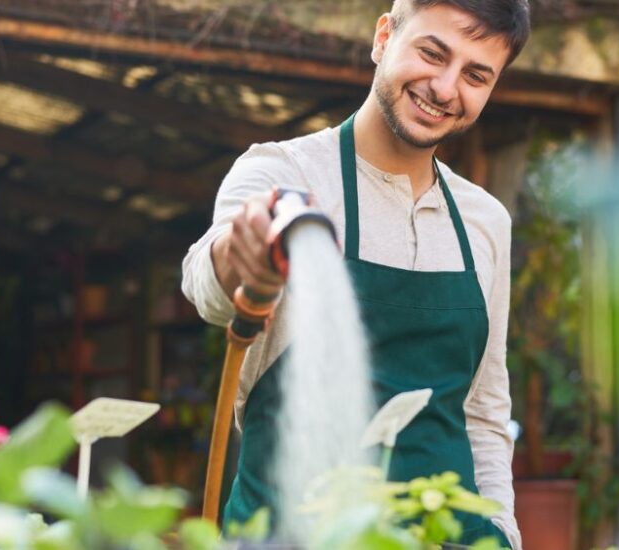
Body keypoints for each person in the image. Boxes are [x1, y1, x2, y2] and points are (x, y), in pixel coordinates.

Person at [182, 1, 529, 547]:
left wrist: (503, 533)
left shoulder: (485, 221)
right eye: (432, 53)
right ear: (384, 36)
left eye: (475, 75)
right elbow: (207, 288)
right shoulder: (284, 173)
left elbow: (483, 410)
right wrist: (240, 253)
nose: (444, 88)